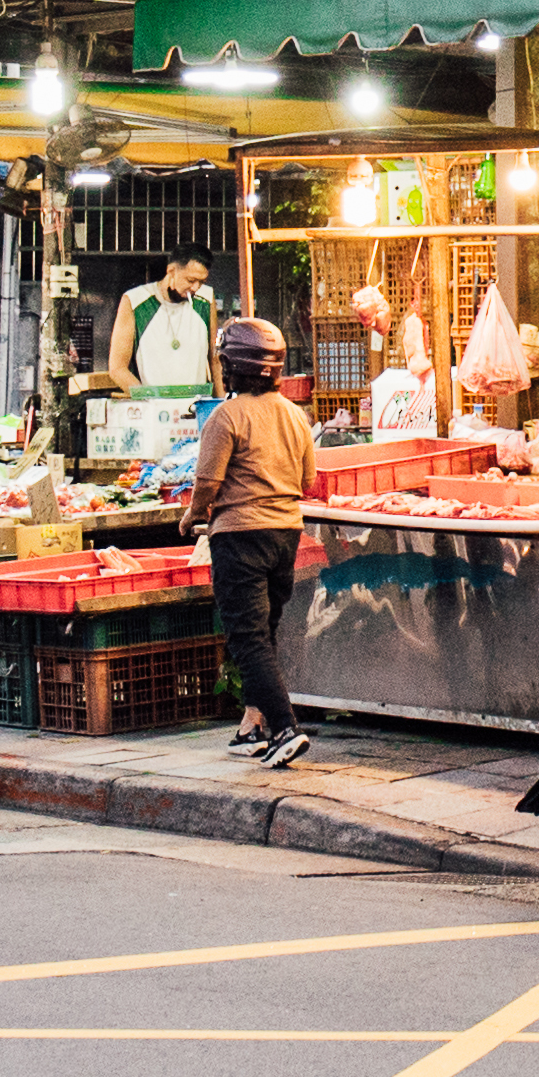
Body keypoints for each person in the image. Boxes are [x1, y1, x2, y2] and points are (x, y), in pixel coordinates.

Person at [187, 316, 316, 770]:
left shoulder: (226, 417)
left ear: (232, 366)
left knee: (247, 638)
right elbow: (307, 479)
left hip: (240, 536)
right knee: (265, 633)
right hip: (285, 534)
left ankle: (284, 728)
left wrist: (192, 515)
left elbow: (207, 484)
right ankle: (251, 726)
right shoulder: (295, 416)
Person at [113, 252, 218, 395]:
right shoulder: (135, 300)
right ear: (171, 271)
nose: (195, 288)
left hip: (197, 405)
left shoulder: (205, 298)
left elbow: (215, 360)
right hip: (152, 407)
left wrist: (221, 403)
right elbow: (117, 368)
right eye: (190, 280)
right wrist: (148, 400)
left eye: (201, 282)